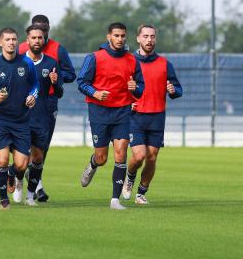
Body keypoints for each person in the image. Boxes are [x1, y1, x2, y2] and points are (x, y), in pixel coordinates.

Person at [77, 22, 145, 210]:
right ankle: (93, 164)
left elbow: (140, 88)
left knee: (121, 151)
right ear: (109, 37)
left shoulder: (132, 60)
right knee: (102, 157)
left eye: (123, 36)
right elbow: (81, 82)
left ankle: (115, 200)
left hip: (122, 111)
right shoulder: (94, 57)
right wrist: (95, 93)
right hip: (99, 111)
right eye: (116, 36)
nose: (120, 39)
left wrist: (135, 88)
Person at [0, 27, 39, 210]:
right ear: (0, 42)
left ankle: (12, 173)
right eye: (8, 39)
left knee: (21, 165)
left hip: (22, 121)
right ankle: (3, 199)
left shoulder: (26, 63)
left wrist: (33, 96)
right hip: (0, 121)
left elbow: (35, 85)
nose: (11, 42)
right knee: (2, 160)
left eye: (14, 39)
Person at [122, 25, 183, 204]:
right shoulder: (129, 61)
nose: (149, 40)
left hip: (157, 117)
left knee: (152, 157)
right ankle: (130, 177)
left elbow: (178, 89)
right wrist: (127, 102)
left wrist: (173, 90)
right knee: (139, 156)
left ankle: (141, 193)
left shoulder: (165, 63)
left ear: (156, 39)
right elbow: (119, 87)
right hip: (136, 116)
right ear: (138, 39)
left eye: (152, 37)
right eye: (146, 36)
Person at [18, 14, 76, 202]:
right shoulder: (21, 49)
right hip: (23, 102)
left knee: (41, 148)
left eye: (44, 29)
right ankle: (23, 177)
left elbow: (70, 74)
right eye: (37, 28)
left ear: (48, 29)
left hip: (48, 102)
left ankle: (35, 182)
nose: (40, 32)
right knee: (20, 146)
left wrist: (55, 78)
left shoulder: (58, 49)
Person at [11, 25, 63, 205]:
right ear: (27, 40)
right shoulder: (17, 62)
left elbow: (59, 92)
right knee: (21, 162)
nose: (37, 41)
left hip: (41, 117)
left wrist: (55, 84)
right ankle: (18, 181)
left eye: (40, 38)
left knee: (38, 158)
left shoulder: (51, 63)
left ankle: (30, 195)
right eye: (33, 38)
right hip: (21, 118)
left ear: (44, 40)